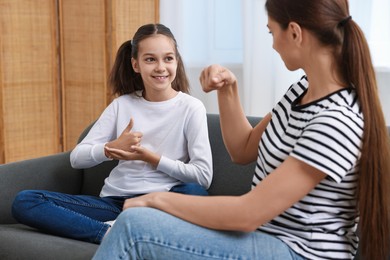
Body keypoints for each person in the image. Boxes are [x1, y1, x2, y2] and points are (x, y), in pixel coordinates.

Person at [92, 0, 390, 259]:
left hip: (297, 252)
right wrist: (228, 90)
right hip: (266, 239)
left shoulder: (335, 120)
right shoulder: (301, 91)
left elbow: (248, 214)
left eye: (273, 32)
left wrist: (155, 199)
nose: (273, 43)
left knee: (134, 228)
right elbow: (243, 149)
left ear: (296, 33)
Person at [11, 23, 213, 244]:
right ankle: (109, 233)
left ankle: (136, 226)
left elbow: (203, 176)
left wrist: (150, 158)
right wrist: (111, 148)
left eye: (168, 58)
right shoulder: (121, 105)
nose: (160, 67)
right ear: (135, 64)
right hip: (116, 204)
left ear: (176, 61)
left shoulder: (191, 107)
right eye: (150, 59)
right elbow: (77, 158)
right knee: (26, 201)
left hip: (163, 201)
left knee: (196, 194)